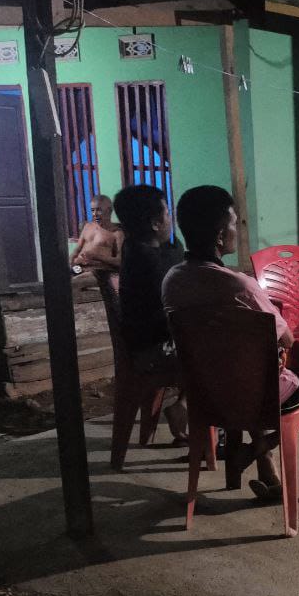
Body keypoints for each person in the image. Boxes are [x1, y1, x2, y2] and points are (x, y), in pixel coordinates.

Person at [162, 185, 299, 499]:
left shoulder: (172, 280)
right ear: (220, 236)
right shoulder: (241, 286)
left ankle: (263, 462)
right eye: (234, 223)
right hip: (260, 396)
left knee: (245, 369)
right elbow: (287, 339)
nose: (238, 229)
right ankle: (255, 450)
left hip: (206, 395)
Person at [112, 184, 188, 445]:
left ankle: (185, 406)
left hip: (144, 344)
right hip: (153, 351)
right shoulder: (153, 260)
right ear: (155, 223)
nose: (170, 218)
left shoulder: (134, 248)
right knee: (217, 352)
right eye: (167, 213)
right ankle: (202, 425)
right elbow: (178, 260)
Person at [71, 195, 124, 273]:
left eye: (99, 210)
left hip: (98, 270)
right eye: (92, 210)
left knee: (72, 281)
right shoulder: (87, 226)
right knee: (59, 276)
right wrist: (71, 263)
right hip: (79, 267)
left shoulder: (117, 233)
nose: (95, 214)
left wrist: (96, 256)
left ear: (109, 211)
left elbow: (120, 261)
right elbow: (77, 250)